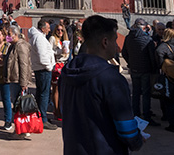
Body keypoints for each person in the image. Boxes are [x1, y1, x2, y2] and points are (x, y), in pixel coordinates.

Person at [59, 15, 143, 155]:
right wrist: (137, 140)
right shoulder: (112, 78)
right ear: (105, 42)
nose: (117, 47)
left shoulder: (66, 72)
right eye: (115, 40)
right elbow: (127, 130)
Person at [121, 18, 160, 126]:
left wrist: (130, 62)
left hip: (134, 69)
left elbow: (124, 52)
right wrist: (154, 68)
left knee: (136, 93)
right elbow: (152, 56)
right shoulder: (147, 39)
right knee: (146, 94)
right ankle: (147, 115)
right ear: (144, 27)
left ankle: (135, 114)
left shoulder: (128, 38)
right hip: (145, 69)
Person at [28, 19, 57, 129]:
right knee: (44, 94)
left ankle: (40, 115)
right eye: (48, 27)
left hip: (41, 68)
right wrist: (49, 67)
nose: (50, 29)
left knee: (41, 93)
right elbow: (42, 56)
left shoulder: (38, 37)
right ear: (43, 28)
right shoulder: (39, 38)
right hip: (43, 69)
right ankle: (43, 118)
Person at [4, 25, 32, 133]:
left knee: (20, 107)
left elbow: (24, 64)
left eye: (9, 34)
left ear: (15, 34)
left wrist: (23, 82)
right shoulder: (12, 46)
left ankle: (21, 130)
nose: (7, 36)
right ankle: (20, 129)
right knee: (17, 106)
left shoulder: (21, 46)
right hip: (13, 79)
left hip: (18, 80)